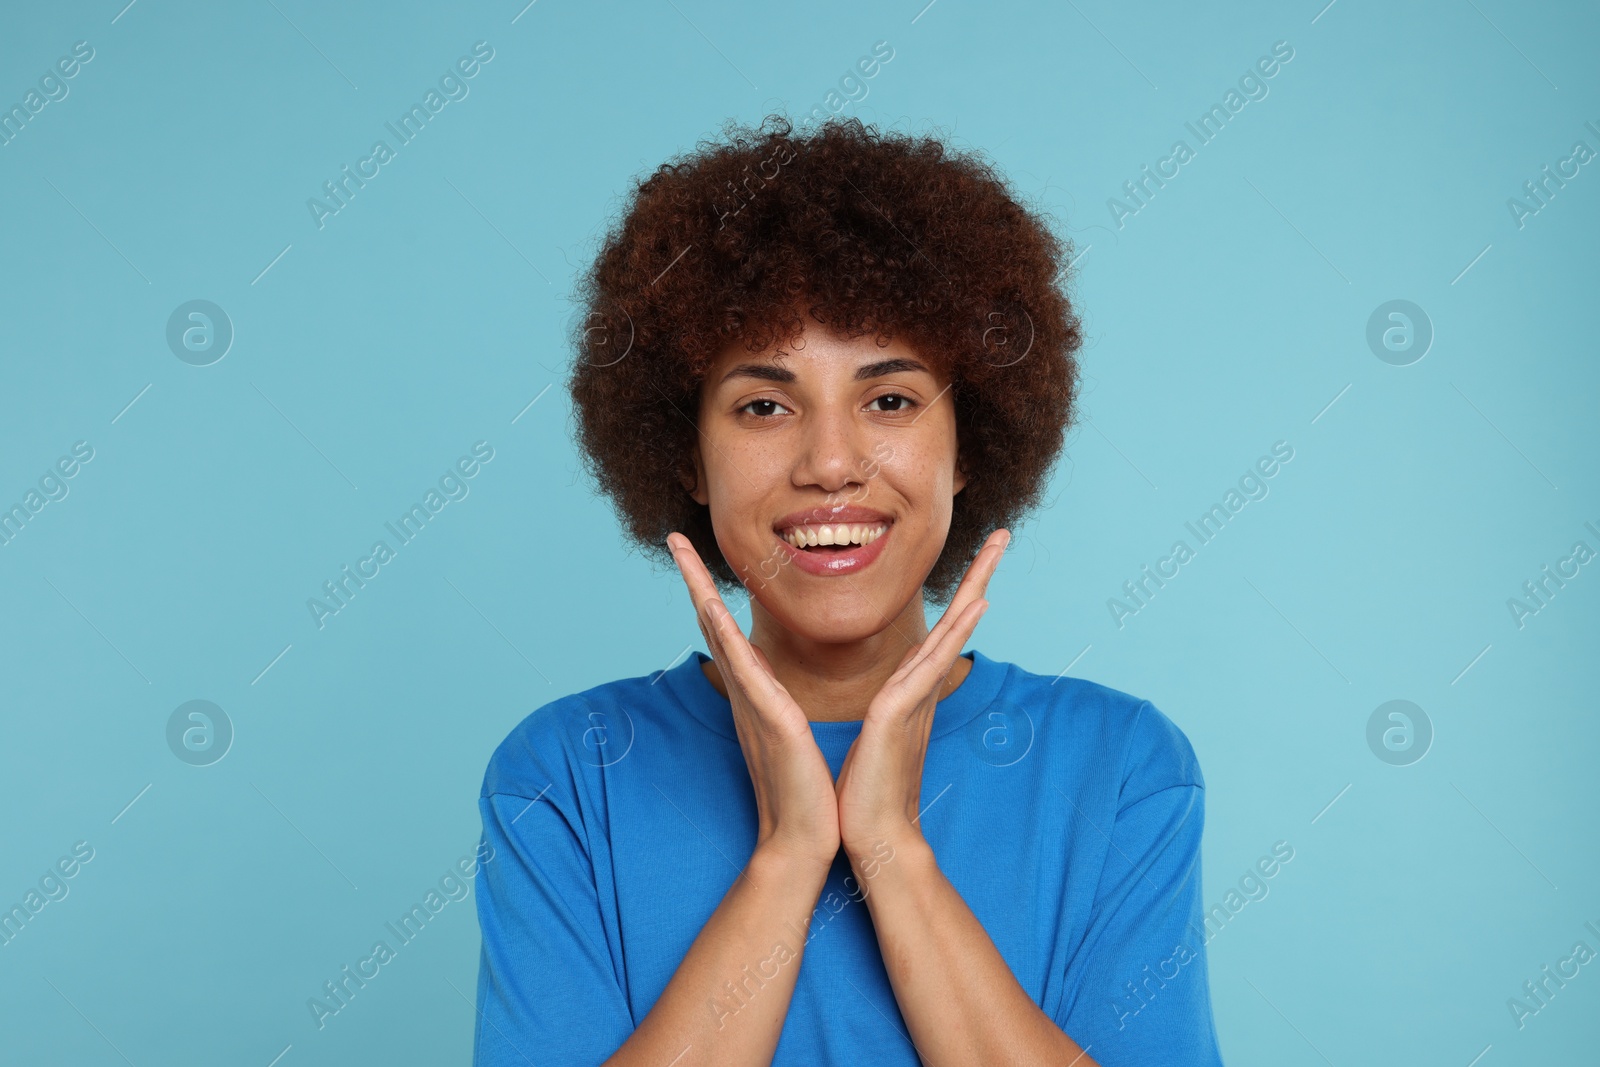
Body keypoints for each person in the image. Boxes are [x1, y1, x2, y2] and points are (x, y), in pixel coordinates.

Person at [472, 115, 1224, 1066]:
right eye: (764, 406)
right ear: (687, 458)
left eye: (891, 399)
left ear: (968, 449)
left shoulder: (1120, 769)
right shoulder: (567, 775)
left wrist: (890, 849)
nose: (831, 463)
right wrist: (789, 855)